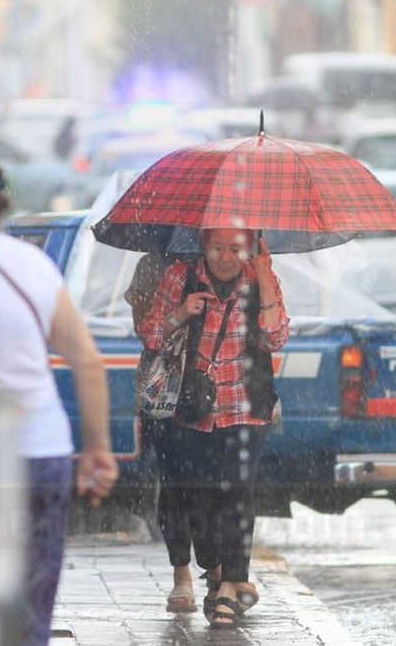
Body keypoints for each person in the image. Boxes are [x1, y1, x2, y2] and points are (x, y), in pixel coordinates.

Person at [0, 154, 118, 646]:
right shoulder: (33, 264)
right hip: (43, 453)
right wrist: (97, 450)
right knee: (30, 606)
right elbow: (87, 362)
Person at [139, 229, 289, 628]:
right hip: (194, 408)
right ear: (204, 245)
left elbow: (276, 337)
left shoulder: (260, 278)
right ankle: (219, 572)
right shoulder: (180, 276)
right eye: (217, 247)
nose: (225, 257)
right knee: (200, 501)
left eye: (234, 248)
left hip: (246, 407)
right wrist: (181, 313)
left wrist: (265, 278)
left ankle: (230, 586)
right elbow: (151, 335)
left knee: (237, 496)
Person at [125, 252, 202, 613]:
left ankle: (221, 570)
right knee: (175, 486)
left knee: (220, 486)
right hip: (166, 396)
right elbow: (147, 332)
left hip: (219, 391)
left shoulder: (238, 259)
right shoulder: (154, 266)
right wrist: (180, 312)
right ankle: (181, 573)